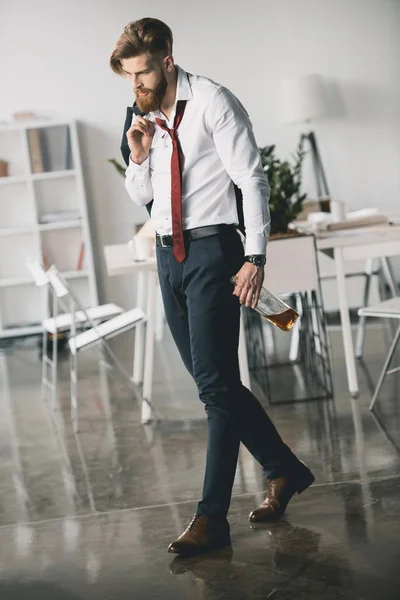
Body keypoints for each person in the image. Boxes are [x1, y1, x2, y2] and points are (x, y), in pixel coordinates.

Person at [109, 17, 314, 556]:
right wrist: (137, 155)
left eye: (144, 73)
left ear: (168, 61)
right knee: (214, 383)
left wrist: (256, 256)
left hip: (212, 250)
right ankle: (284, 470)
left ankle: (210, 518)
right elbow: (142, 195)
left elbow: (252, 178)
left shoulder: (215, 103)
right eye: (130, 77)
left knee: (216, 389)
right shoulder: (140, 111)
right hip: (167, 254)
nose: (137, 85)